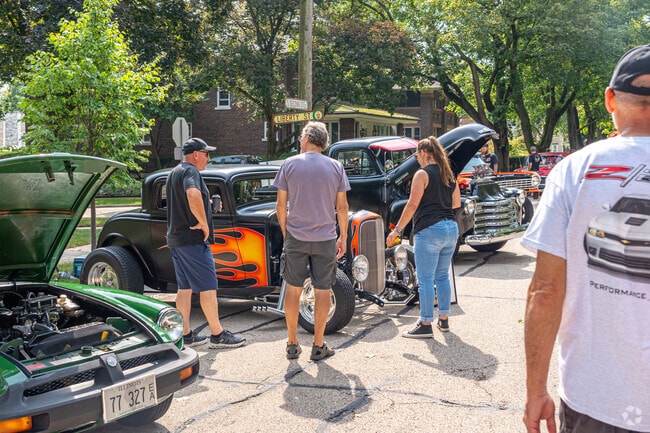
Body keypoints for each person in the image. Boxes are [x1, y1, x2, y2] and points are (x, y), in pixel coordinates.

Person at [521, 44, 650, 433]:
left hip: (599, 398)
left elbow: (545, 291)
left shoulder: (574, 170)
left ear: (610, 98)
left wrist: (535, 390)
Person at [274, 121, 350, 361]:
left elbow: (280, 205)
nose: (299, 140)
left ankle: (292, 343)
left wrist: (287, 232)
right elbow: (342, 206)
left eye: (300, 136)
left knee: (293, 289)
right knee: (323, 290)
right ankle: (318, 344)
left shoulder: (289, 164)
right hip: (325, 237)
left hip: (296, 235)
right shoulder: (336, 167)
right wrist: (343, 236)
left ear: (307, 137)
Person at [166, 137, 246, 349]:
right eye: (206, 154)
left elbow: (187, 198)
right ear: (195, 155)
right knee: (208, 288)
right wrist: (203, 223)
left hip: (176, 239)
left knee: (184, 289)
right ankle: (218, 335)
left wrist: (207, 203)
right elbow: (192, 194)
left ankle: (186, 334)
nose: (208, 159)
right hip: (192, 240)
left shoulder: (175, 172)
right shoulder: (191, 172)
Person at [386, 136, 460, 338]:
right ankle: (443, 320)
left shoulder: (422, 174)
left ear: (425, 153)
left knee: (425, 279)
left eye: (417, 154)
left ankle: (426, 323)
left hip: (429, 230)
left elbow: (412, 205)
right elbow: (456, 204)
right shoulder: (449, 175)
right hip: (451, 229)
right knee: (442, 276)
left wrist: (397, 230)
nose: (416, 158)